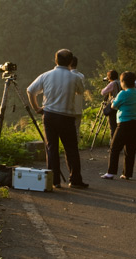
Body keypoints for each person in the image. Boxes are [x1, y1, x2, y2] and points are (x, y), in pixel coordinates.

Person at [27, 49, 88, 189]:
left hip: (49, 115)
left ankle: (53, 181)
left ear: (55, 60)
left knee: (52, 148)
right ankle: (75, 180)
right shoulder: (75, 77)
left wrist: (37, 108)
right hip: (67, 117)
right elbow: (80, 91)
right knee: (71, 148)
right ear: (71, 62)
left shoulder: (46, 75)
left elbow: (30, 90)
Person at [100, 71, 136, 180]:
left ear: (123, 82)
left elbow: (114, 106)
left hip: (124, 123)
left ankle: (111, 172)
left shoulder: (123, 93)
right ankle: (127, 173)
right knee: (130, 149)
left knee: (114, 148)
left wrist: (113, 100)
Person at [101, 70, 121, 139]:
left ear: (109, 77)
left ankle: (113, 142)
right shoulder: (120, 82)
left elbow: (103, 92)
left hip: (113, 106)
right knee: (118, 125)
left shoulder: (112, 83)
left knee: (113, 126)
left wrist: (108, 85)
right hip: (120, 106)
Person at [70, 56, 84, 140]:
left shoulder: (68, 76)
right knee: (76, 129)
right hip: (79, 107)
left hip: (69, 108)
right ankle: (76, 147)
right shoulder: (81, 76)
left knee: (68, 129)